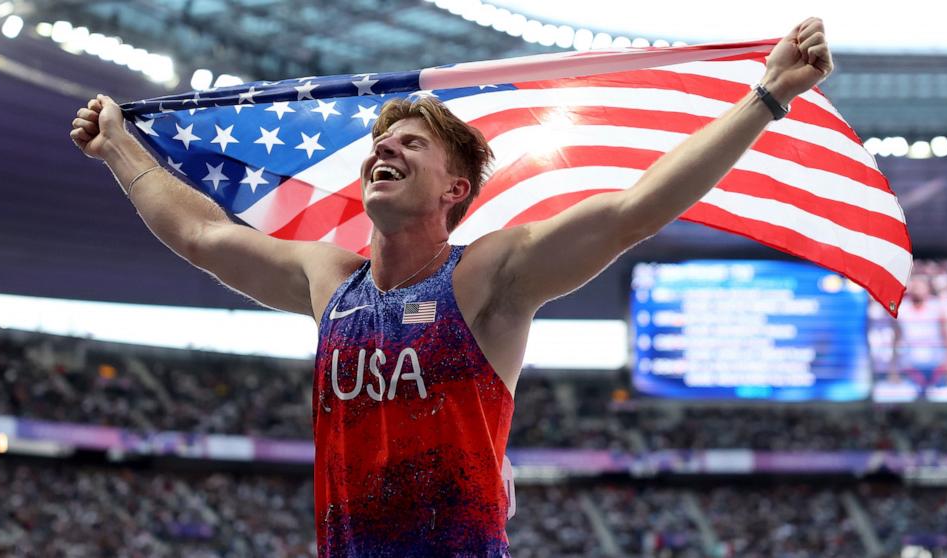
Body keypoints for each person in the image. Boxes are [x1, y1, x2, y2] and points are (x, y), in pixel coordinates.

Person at [70, 18, 832, 557]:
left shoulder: (488, 277)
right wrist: (120, 152)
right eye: (379, 144)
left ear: (453, 188)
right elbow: (203, 236)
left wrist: (766, 100)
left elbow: (633, 212)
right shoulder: (327, 278)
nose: (383, 151)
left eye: (409, 144)